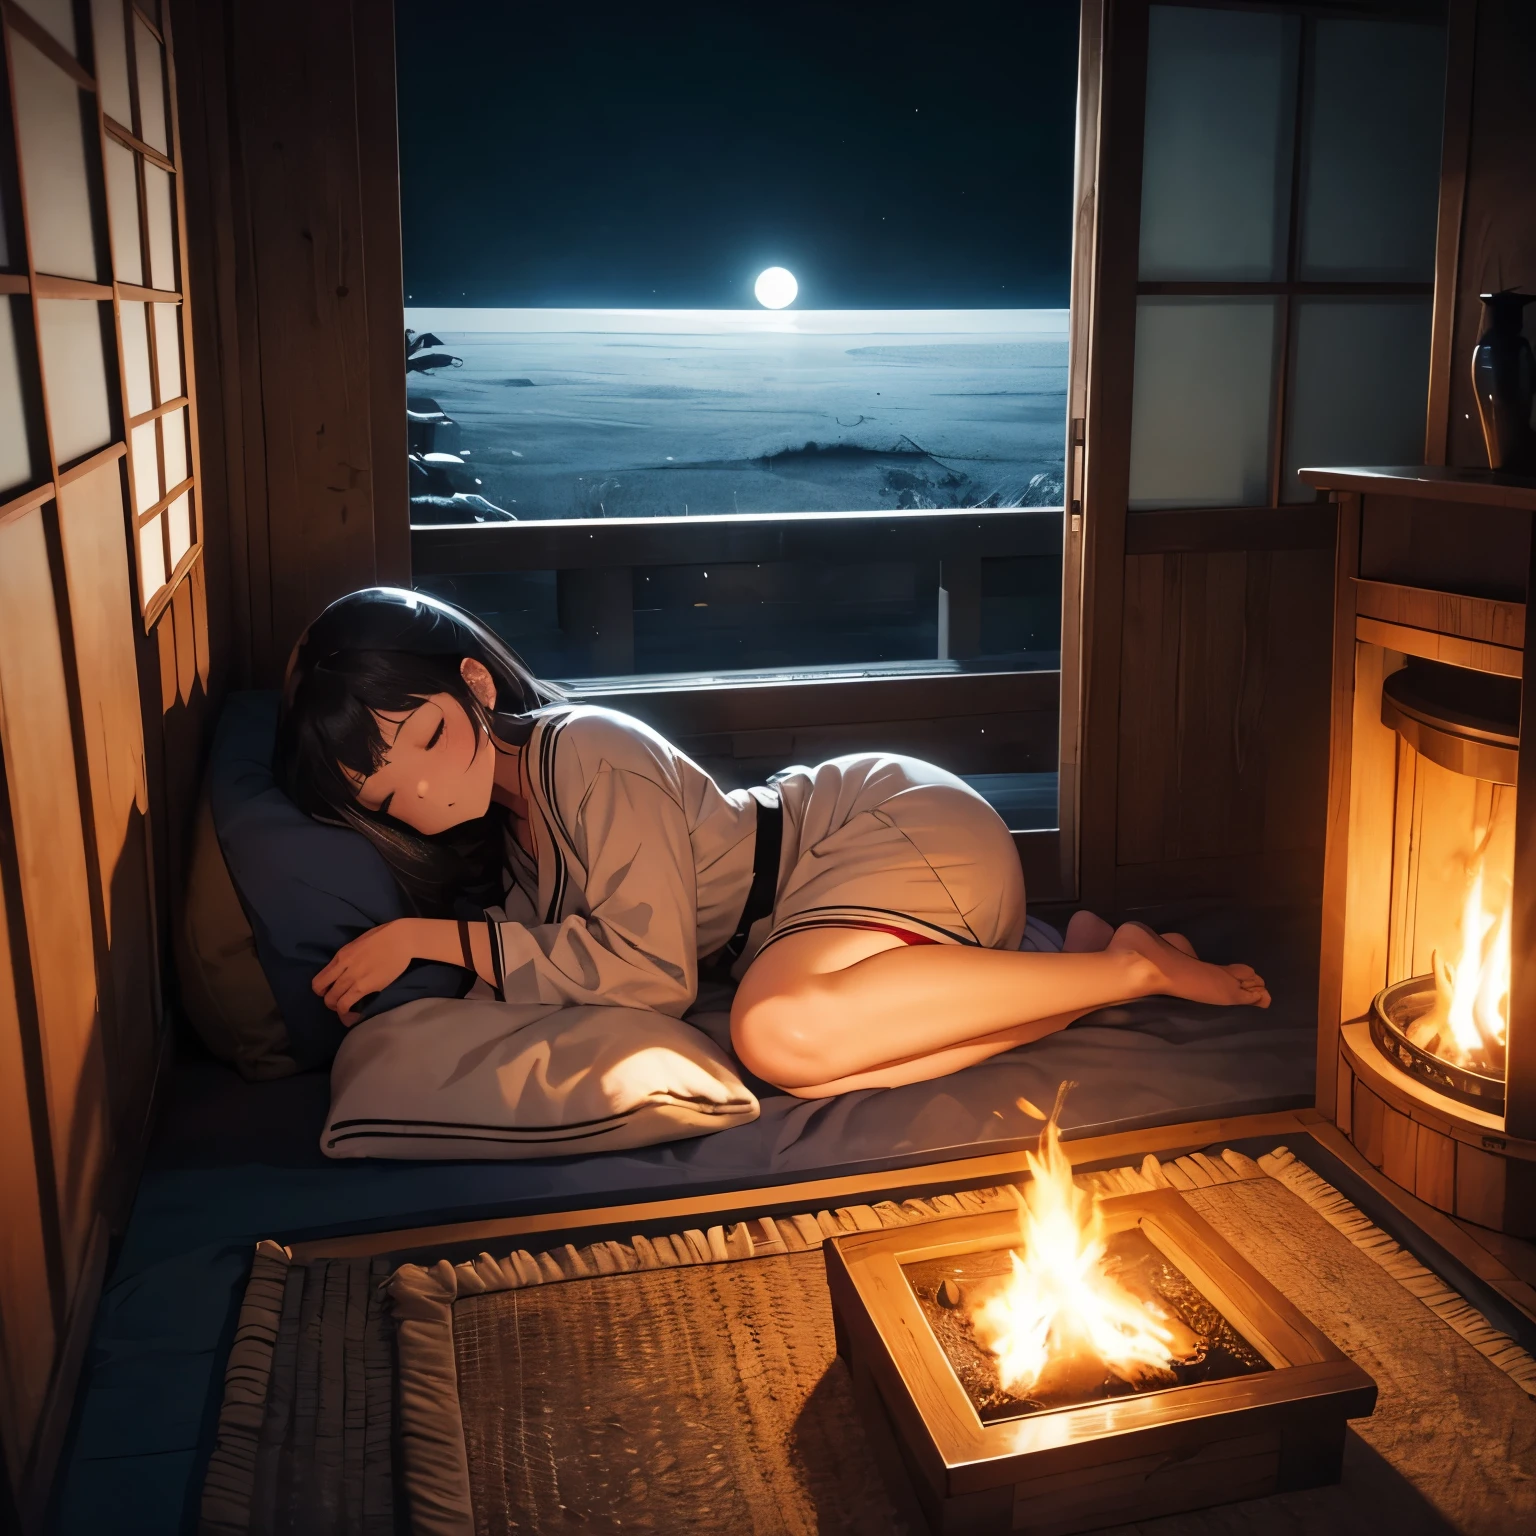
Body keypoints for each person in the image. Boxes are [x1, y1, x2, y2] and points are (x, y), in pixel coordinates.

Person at [277, 588, 1268, 1100]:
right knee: (809, 1052)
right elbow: (559, 957)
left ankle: (1127, 972)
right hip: (822, 887)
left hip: (895, 827)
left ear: (477, 688)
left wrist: (431, 943)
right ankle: (1087, 954)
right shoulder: (517, 826)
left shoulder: (584, 751)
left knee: (775, 1033)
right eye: (388, 793)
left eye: (432, 740)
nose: (424, 789)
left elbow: (650, 973)